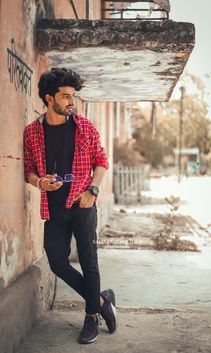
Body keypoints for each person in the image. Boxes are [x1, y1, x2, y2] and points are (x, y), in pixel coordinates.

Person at [23, 67, 117, 344]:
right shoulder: (32, 133)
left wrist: (93, 190)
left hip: (83, 204)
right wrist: (40, 183)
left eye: (73, 96)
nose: (71, 101)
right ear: (49, 98)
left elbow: (101, 161)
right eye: (65, 96)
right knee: (58, 263)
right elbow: (28, 169)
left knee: (89, 262)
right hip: (53, 208)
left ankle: (91, 317)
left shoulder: (84, 127)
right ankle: (101, 300)